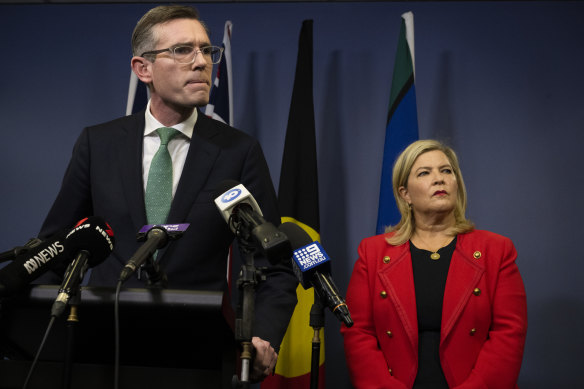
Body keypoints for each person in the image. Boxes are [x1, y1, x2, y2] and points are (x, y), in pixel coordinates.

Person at [38, 5, 297, 382]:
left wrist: (261, 337)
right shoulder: (99, 144)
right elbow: (55, 249)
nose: (200, 62)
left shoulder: (238, 151)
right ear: (143, 68)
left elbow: (272, 263)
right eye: (182, 50)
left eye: (207, 51)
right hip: (104, 350)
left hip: (198, 354)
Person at [341, 139, 527, 388]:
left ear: (456, 184)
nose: (439, 179)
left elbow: (509, 334)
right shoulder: (372, 252)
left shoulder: (496, 250)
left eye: (446, 171)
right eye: (424, 173)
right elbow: (358, 333)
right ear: (404, 194)